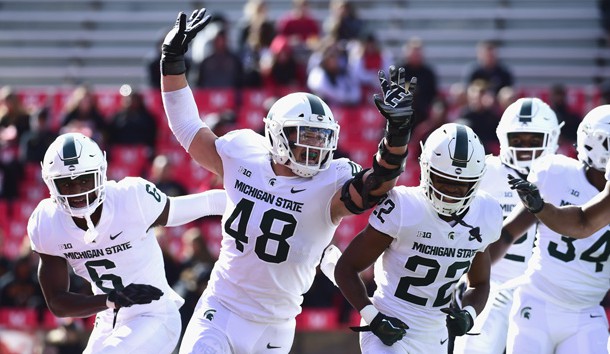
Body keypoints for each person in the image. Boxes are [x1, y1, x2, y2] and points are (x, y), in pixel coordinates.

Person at [159, 8, 417, 353]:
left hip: (276, 326)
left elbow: (378, 184)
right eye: (305, 136)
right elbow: (188, 127)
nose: (314, 146)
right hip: (221, 307)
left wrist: (397, 133)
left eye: (320, 137)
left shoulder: (331, 182)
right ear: (277, 134)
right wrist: (171, 60)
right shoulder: (243, 154)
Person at [27, 132, 227, 354]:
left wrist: (254, 202)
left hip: (154, 316)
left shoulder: (131, 199)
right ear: (51, 184)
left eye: (85, 180)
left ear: (101, 175)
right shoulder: (46, 222)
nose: (77, 192)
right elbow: (57, 302)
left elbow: (205, 204)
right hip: (107, 321)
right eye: (66, 183)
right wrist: (110, 300)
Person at [334, 123, 503, 353]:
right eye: (443, 180)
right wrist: (373, 317)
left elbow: (481, 283)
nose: (451, 191)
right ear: (426, 170)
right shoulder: (404, 206)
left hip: (436, 337)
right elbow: (346, 268)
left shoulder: (486, 213)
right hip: (389, 325)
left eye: (461, 185)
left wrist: (469, 314)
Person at [490, 104, 610, 353]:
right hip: (538, 300)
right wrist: (470, 279)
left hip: (587, 311)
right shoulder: (556, 173)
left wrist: (541, 208)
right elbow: (507, 232)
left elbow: (582, 223)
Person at [452, 98, 562, 354]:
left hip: (543, 290)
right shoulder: (485, 171)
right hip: (487, 284)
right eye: (519, 140)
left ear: (552, 138)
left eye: (535, 141)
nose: (526, 149)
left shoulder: (562, 175)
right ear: (504, 138)